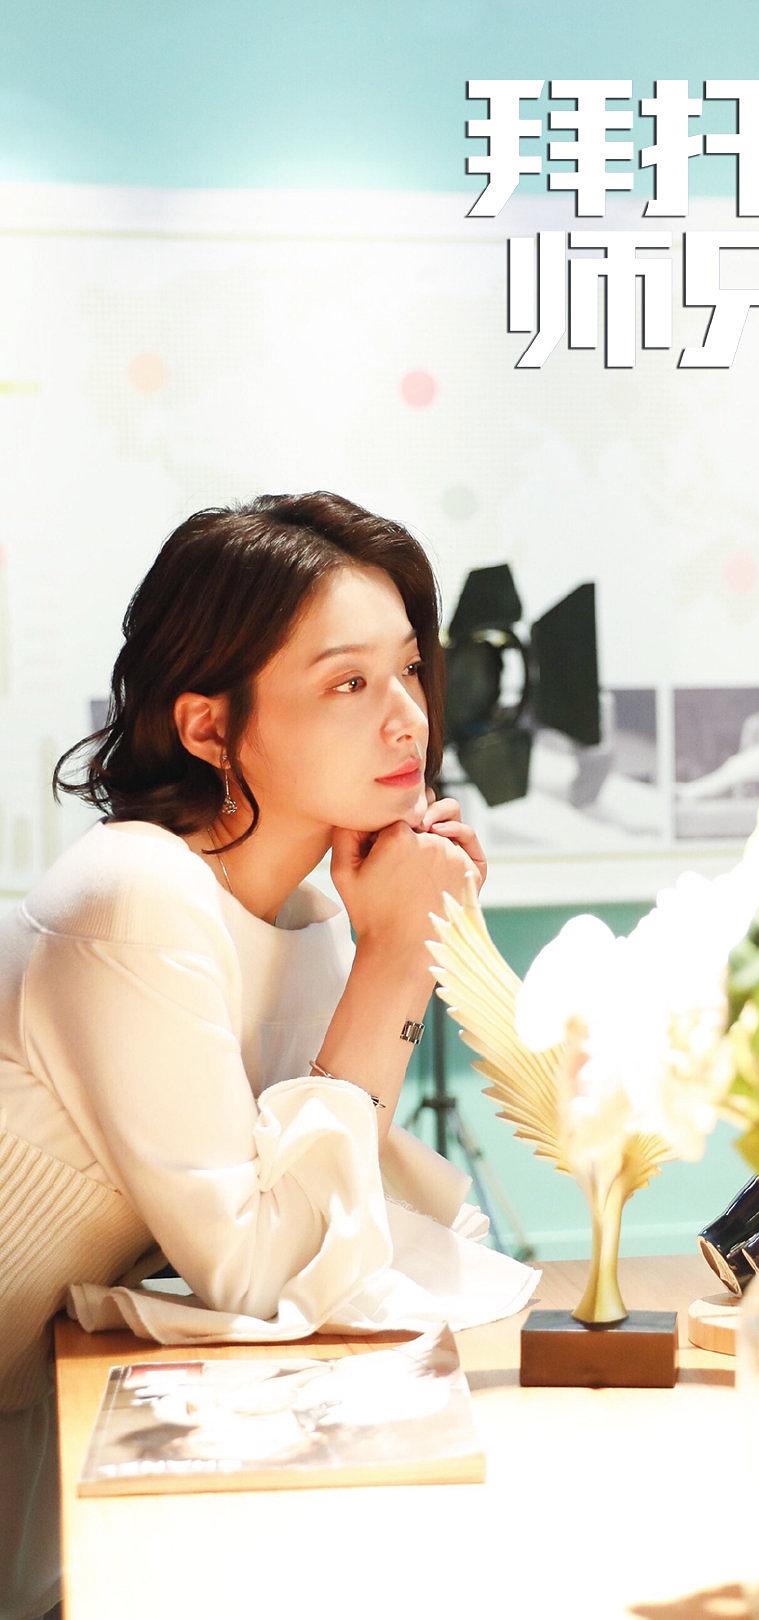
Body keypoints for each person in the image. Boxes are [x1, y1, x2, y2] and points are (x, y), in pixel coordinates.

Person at [0, 491, 540, 1619]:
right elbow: (256, 1270)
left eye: (408, 670)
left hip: (44, 1409)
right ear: (208, 726)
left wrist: (400, 944)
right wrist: (394, 957)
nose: (407, 719)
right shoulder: (135, 892)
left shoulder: (307, 912)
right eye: (348, 684)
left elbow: (331, 1221)